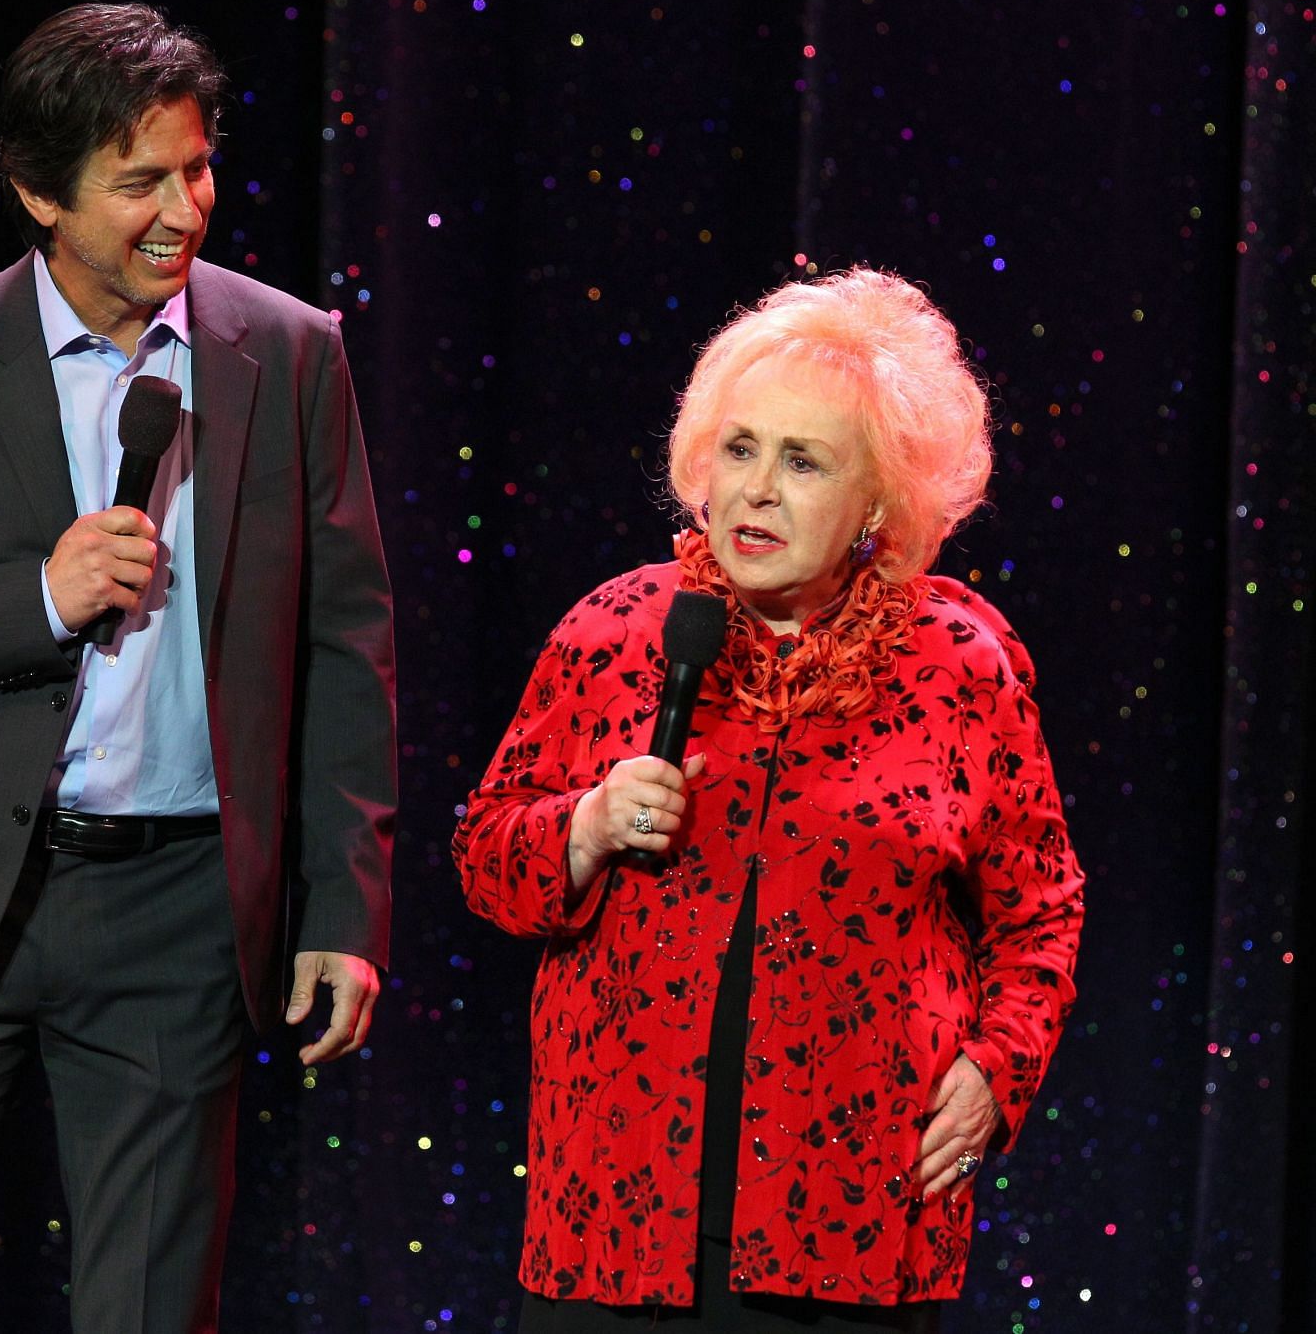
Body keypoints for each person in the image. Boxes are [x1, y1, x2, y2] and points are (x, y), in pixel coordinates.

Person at [0, 3, 395, 1333]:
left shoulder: (286, 355)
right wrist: (34, 601)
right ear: (39, 193)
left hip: (174, 906)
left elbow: (347, 643)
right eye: (141, 183)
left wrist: (344, 907)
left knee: (152, 1311)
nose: (186, 206)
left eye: (196, 167)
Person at [454, 268, 1083, 1330]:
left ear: (878, 500)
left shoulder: (959, 664)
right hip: (617, 1217)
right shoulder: (615, 632)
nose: (756, 489)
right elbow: (485, 862)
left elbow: (1041, 913)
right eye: (740, 449)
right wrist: (587, 826)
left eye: (803, 462)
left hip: (852, 1222)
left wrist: (994, 1074)